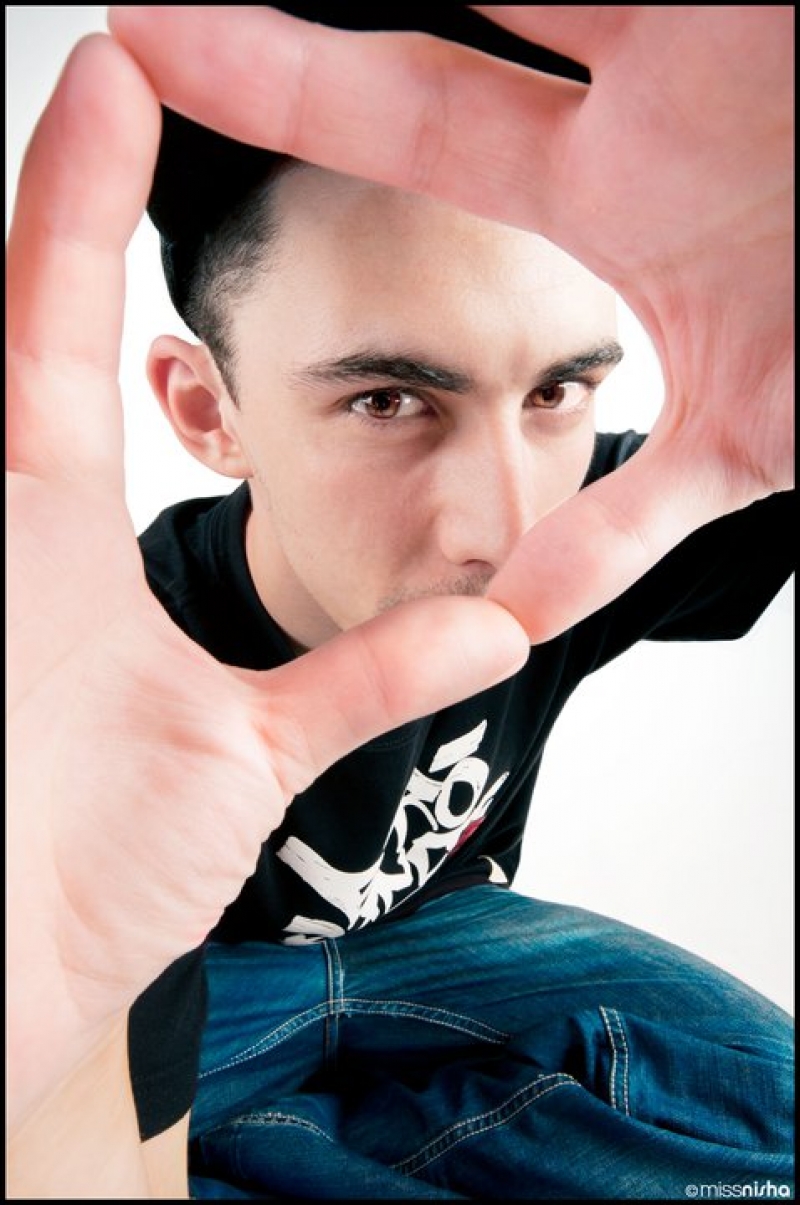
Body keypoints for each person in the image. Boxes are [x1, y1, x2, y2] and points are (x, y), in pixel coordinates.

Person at [6, 4, 793, 1200]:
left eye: (556, 393)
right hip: (178, 987)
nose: (507, 525)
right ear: (208, 411)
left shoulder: (604, 524)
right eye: (387, 401)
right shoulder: (79, 670)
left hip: (447, 945)